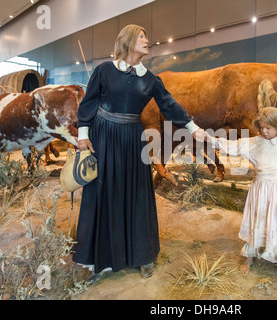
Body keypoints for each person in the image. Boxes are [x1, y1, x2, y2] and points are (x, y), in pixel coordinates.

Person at [73, 24, 204, 279]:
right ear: (128, 41)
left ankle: (142, 255)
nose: (147, 41)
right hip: (104, 136)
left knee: (138, 194)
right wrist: (82, 135)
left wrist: (192, 127)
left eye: (146, 36)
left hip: (133, 138)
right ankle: (99, 260)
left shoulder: (151, 79)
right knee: (103, 194)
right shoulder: (104, 70)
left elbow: (169, 105)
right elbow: (88, 103)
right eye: (141, 37)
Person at [204, 107, 277, 278]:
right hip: (260, 189)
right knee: (256, 220)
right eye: (261, 127)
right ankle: (249, 257)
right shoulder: (254, 143)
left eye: (268, 128)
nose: (264, 131)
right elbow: (233, 145)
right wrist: (210, 139)